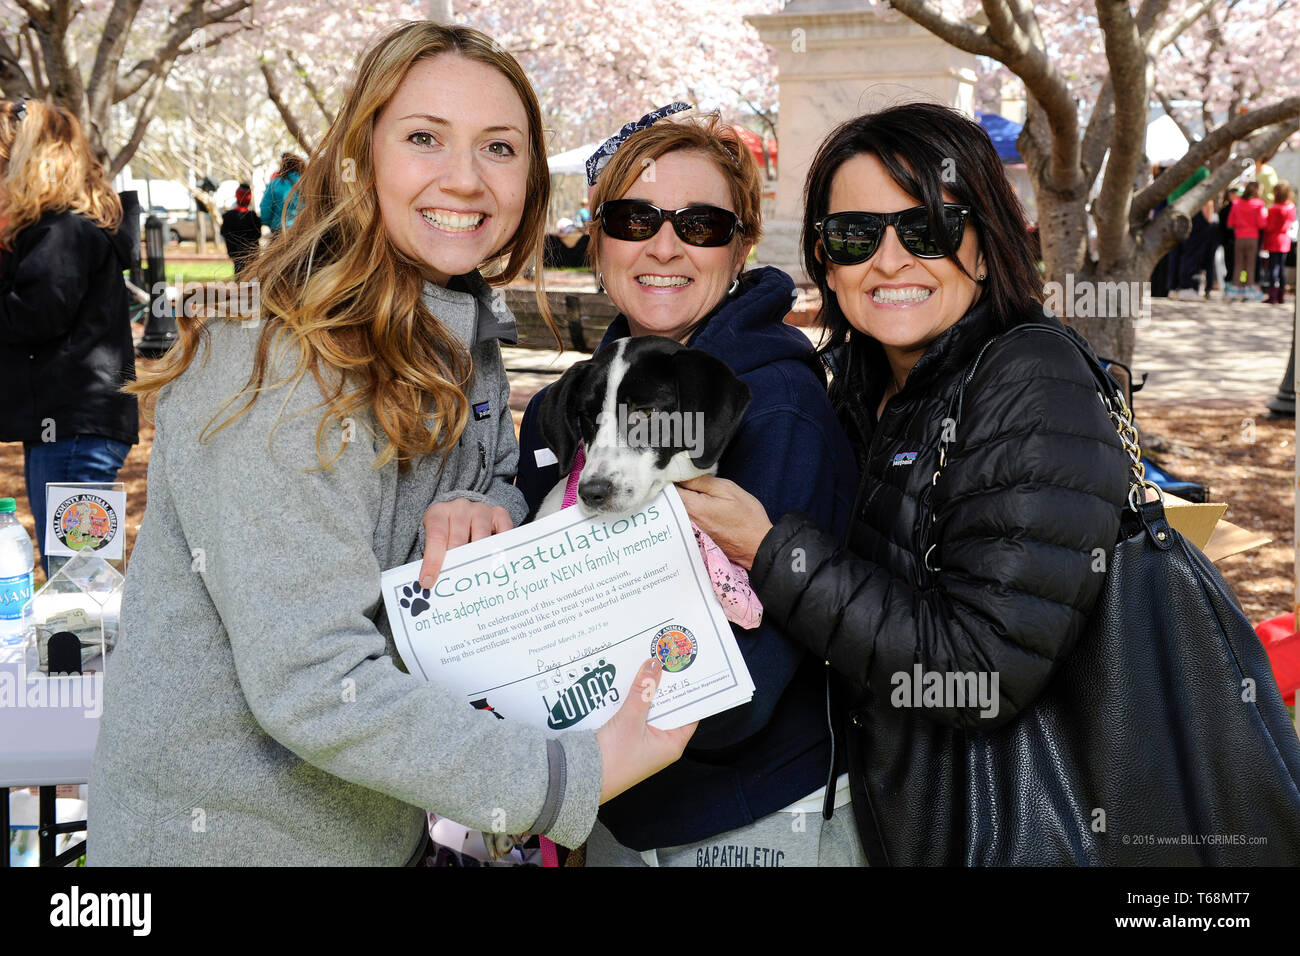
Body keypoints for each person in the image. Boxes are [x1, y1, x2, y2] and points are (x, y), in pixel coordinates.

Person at [87, 21, 693, 867]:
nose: (465, 178)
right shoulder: (279, 353)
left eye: (499, 147)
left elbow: (493, 480)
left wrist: (491, 508)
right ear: (357, 157)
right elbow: (311, 682)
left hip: (374, 830)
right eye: (423, 139)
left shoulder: (459, 323)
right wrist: (564, 777)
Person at [676, 102, 1131, 865]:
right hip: (878, 814)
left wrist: (770, 551)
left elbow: (980, 671)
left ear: (985, 247)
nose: (889, 261)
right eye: (856, 236)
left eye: (929, 231)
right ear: (826, 258)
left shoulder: (1032, 382)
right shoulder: (858, 383)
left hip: (995, 828)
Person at [515, 110, 863, 866]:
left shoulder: (776, 408)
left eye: (701, 225)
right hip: (609, 803)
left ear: (740, 247)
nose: (664, 244)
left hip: (749, 814)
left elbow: (743, 687)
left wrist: (550, 747)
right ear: (597, 236)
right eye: (634, 218)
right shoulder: (563, 406)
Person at [0, 100, 137, 572]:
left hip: (77, 429)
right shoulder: (64, 227)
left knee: (77, 587)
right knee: (76, 581)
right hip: (69, 427)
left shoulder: (63, 231)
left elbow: (36, 316)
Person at [1227, 181, 1267, 294]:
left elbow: (1230, 222)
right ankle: (1248, 287)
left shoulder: (1236, 204)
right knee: (1250, 264)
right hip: (1252, 237)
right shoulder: (1259, 204)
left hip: (1239, 237)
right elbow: (1262, 224)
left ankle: (1235, 287)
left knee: (1238, 264)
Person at [1263, 181, 1295, 305]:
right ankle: (1281, 296)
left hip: (1274, 239)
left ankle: (1273, 296)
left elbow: (1269, 226)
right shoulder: (1291, 207)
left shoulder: (1273, 209)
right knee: (1281, 268)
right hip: (1284, 240)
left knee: (1273, 268)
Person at [219, 183, 262, 275]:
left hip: (235, 254)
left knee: (239, 276)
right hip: (250, 254)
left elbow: (224, 232)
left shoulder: (228, 216)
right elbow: (258, 234)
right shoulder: (252, 217)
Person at [259, 152, 305, 233]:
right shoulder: (307, 181)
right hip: (304, 229)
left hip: (280, 231)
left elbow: (265, 207)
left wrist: (270, 223)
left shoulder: (276, 184)